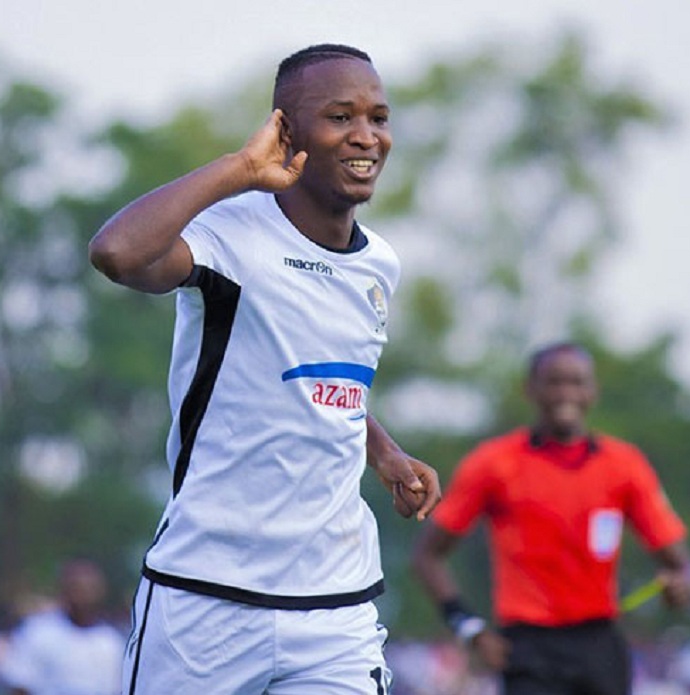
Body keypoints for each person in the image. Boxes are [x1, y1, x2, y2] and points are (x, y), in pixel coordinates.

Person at [88, 43, 441, 694]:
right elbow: (115, 251)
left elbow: (318, 378)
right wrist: (239, 169)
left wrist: (384, 450)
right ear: (286, 129)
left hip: (335, 605)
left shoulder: (379, 264)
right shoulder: (228, 235)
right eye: (340, 116)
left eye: (379, 117)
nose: (366, 135)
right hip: (205, 598)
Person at [412, 341, 690, 695]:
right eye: (554, 382)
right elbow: (428, 556)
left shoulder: (624, 465)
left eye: (576, 382)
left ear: (592, 390)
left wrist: (682, 587)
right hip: (529, 648)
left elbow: (684, 567)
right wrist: (469, 628)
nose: (566, 393)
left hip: (600, 645)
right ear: (531, 389)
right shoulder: (494, 463)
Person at [3, 559, 126, 695]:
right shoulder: (37, 633)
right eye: (76, 589)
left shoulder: (111, 643)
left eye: (89, 589)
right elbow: (20, 685)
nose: (82, 596)